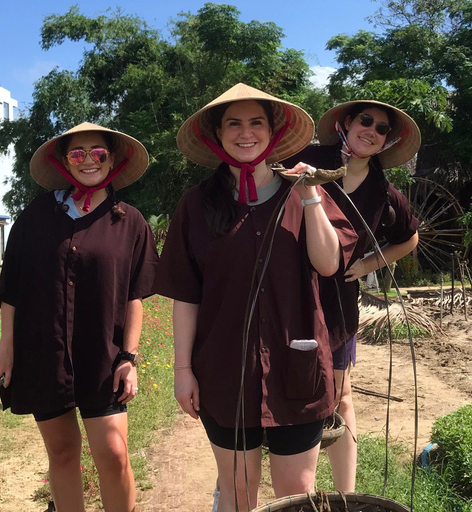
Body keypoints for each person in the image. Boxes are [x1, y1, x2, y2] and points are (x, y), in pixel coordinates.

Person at [152, 83, 357, 512]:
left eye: (256, 122)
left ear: (273, 131)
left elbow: (328, 264)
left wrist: (310, 196)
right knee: (237, 491)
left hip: (297, 367)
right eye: (234, 124)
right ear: (217, 134)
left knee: (297, 494)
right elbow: (186, 296)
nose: (246, 133)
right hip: (224, 370)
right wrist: (183, 370)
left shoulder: (303, 191)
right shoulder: (196, 204)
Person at [0, 122, 159, 512]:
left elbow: (136, 294)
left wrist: (129, 358)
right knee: (62, 452)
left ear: (112, 159)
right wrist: (6, 345)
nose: (88, 161)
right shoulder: (35, 217)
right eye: (77, 153)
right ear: (64, 161)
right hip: (43, 351)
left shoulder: (129, 221)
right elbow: (11, 286)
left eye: (98, 152)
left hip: (103, 355)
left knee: (114, 453)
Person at [282, 100, 421, 492]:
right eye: (365, 121)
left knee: (340, 398)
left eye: (381, 129)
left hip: (338, 303)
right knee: (292, 393)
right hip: (289, 293)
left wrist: (367, 265)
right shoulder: (305, 160)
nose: (371, 131)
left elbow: (409, 238)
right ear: (345, 124)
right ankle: (294, 489)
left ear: (385, 142)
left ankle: (347, 495)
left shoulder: (384, 191)